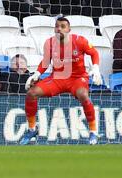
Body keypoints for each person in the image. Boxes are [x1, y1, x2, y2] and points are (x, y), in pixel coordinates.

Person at [20, 17, 102, 145]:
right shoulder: (50, 43)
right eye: (57, 26)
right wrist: (37, 73)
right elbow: (45, 62)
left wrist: (95, 68)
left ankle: (93, 132)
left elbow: (94, 53)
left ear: (69, 29)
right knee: (31, 93)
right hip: (57, 79)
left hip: (77, 78)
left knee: (83, 95)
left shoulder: (79, 41)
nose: (59, 29)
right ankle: (32, 129)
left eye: (63, 26)